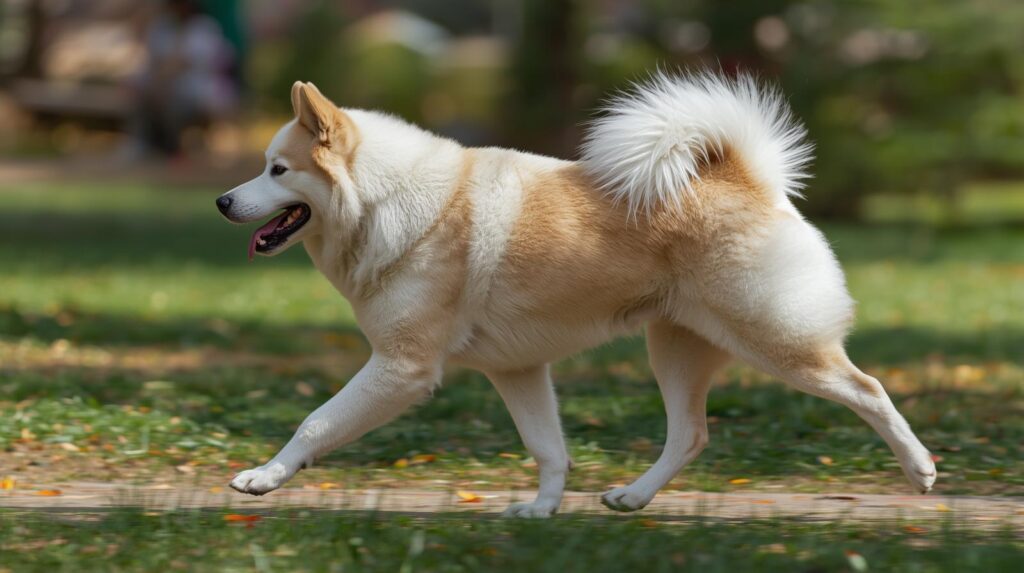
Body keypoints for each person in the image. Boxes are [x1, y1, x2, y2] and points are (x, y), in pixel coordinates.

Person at [124, 0, 238, 158]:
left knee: (173, 101)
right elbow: (153, 63)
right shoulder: (161, 28)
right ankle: (144, 143)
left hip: (198, 90)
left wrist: (161, 82)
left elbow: (181, 63)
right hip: (164, 87)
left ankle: (173, 148)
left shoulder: (203, 27)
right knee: (139, 91)